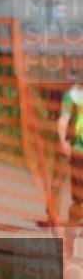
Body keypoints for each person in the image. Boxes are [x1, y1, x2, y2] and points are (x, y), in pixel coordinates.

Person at [56, 70, 83, 226]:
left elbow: (62, 121)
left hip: (78, 150)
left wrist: (63, 142)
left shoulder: (71, 96)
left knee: (79, 197)